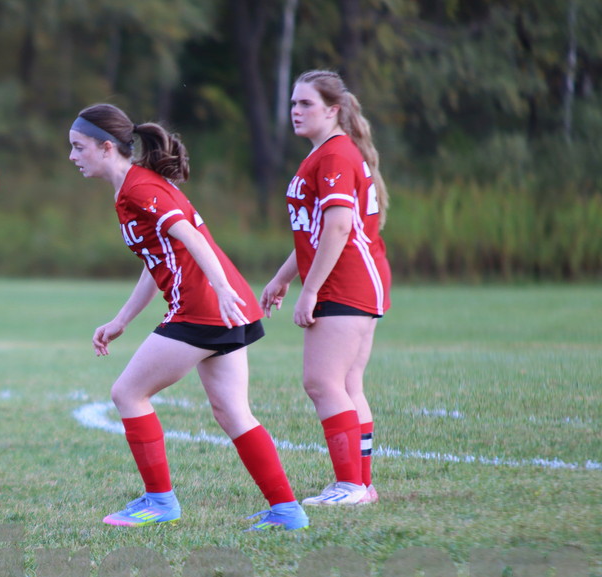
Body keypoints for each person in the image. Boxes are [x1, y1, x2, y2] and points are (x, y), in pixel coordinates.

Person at [69, 103, 308, 532]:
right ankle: (287, 511)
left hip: (203, 307)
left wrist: (220, 289)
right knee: (232, 412)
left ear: (106, 148)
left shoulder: (139, 189)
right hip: (220, 306)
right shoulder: (136, 187)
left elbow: (191, 236)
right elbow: (158, 258)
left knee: (128, 393)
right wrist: (122, 319)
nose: (72, 156)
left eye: (78, 147)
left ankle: (159, 502)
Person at [259, 70, 392, 506]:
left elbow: (337, 227)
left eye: (306, 104)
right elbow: (314, 231)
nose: (295, 112)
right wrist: (284, 277)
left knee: (322, 382)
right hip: (357, 277)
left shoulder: (334, 155)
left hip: (345, 280)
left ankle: (350, 485)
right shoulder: (328, 153)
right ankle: (361, 485)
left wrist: (310, 289)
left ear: (333, 110)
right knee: (348, 385)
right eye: (293, 104)